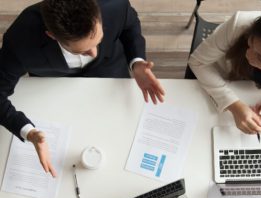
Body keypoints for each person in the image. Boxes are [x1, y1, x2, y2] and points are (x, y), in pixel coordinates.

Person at [0, 0, 164, 177]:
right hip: (55, 84)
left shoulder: (115, 5)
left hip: (110, 67)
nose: (94, 53)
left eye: (98, 41)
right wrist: (28, 132)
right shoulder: (21, 40)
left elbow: (129, 24)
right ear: (52, 36)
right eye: (82, 51)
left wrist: (136, 62)